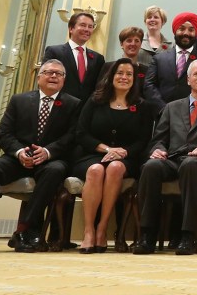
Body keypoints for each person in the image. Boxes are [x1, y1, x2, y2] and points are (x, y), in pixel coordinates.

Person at [133, 60, 197, 255]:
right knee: (151, 166)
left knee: (190, 164)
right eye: (196, 74)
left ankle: (188, 235)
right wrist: (158, 149)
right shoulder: (171, 107)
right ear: (188, 79)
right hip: (172, 159)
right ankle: (147, 234)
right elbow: (158, 139)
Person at [0, 60, 81, 252]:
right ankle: (28, 232)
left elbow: (73, 136)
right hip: (19, 157)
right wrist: (19, 152)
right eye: (49, 72)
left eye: (59, 74)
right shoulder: (20, 100)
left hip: (51, 159)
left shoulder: (73, 104)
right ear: (39, 77)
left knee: (56, 170)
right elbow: (2, 133)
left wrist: (48, 151)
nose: (54, 76)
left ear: (64, 79)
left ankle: (24, 230)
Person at [72, 58, 154, 253]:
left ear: (134, 80)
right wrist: (107, 150)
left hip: (127, 158)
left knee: (116, 168)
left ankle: (102, 228)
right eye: (120, 73)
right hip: (93, 154)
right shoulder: (95, 100)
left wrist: (124, 152)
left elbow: (143, 140)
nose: (124, 77)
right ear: (111, 76)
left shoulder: (142, 106)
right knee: (96, 170)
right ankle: (89, 231)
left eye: (128, 74)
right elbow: (81, 133)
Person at [143, 12, 197, 113]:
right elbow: (149, 86)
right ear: (175, 31)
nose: (186, 33)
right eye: (182, 28)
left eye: (191, 29)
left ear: (196, 33)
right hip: (162, 115)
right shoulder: (159, 59)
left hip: (193, 117)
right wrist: (165, 109)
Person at [42, 12, 105, 102]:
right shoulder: (54, 52)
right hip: (59, 107)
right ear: (71, 28)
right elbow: (46, 80)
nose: (87, 29)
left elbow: (98, 88)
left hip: (85, 111)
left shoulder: (98, 58)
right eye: (83, 25)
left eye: (90, 27)